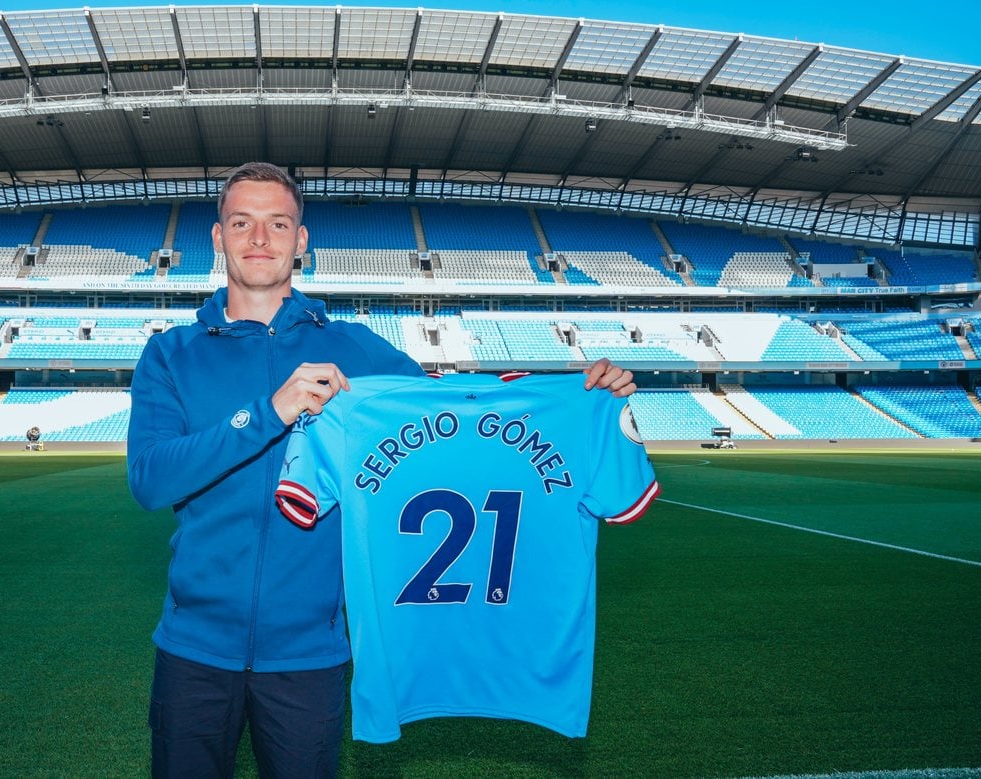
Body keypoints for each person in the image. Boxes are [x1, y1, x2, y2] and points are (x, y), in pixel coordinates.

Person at [126, 162, 635, 778]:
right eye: (242, 222)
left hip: (310, 653)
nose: (260, 238)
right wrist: (268, 414)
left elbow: (458, 412)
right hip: (193, 648)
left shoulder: (357, 347)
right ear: (217, 237)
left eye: (278, 223)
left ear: (302, 241)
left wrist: (576, 395)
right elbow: (150, 479)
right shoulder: (170, 353)